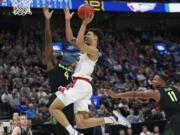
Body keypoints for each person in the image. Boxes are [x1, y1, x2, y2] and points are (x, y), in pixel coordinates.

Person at [49, 7, 131, 135]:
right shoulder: (85, 51)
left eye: (89, 34)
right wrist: (67, 21)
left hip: (81, 85)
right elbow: (70, 38)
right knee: (81, 123)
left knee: (53, 108)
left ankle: (72, 133)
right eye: (86, 33)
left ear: (96, 39)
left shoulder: (95, 52)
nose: (86, 35)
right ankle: (111, 119)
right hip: (83, 86)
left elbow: (80, 44)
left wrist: (84, 23)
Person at [106, 73, 180, 135]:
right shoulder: (176, 88)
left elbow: (134, 94)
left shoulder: (156, 92)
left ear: (162, 81)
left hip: (174, 120)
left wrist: (116, 95)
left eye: (155, 79)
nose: (152, 81)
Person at [43, 7, 74, 135]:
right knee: (60, 131)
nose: (55, 54)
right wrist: (47, 21)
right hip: (56, 98)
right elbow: (48, 41)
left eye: (58, 54)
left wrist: (67, 21)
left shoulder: (70, 67)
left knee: (70, 130)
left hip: (70, 100)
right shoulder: (52, 64)